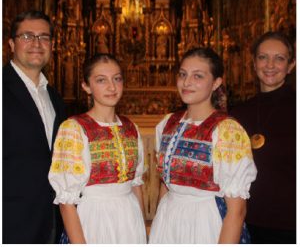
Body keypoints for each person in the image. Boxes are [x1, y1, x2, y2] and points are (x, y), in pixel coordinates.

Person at [149, 46, 257, 244]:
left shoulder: (228, 131)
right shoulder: (167, 124)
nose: (187, 82)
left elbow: (237, 210)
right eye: (183, 74)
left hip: (206, 221)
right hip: (168, 220)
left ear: (216, 83)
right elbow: (165, 184)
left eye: (197, 76)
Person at [48, 53, 147, 244]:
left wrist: (141, 229)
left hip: (129, 218)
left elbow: (136, 185)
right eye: (101, 80)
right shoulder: (74, 129)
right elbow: (66, 202)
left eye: (117, 79)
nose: (112, 87)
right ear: (86, 86)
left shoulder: (131, 127)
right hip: (94, 218)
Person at [3, 10, 66, 243]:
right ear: (11, 44)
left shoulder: (54, 97)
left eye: (44, 37)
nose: (37, 44)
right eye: (27, 36)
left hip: (49, 220)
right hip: (10, 222)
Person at [230, 31, 296, 244]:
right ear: (253, 63)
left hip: (289, 224)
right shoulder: (238, 113)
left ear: (291, 65)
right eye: (263, 57)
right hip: (247, 220)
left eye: (279, 58)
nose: (270, 65)